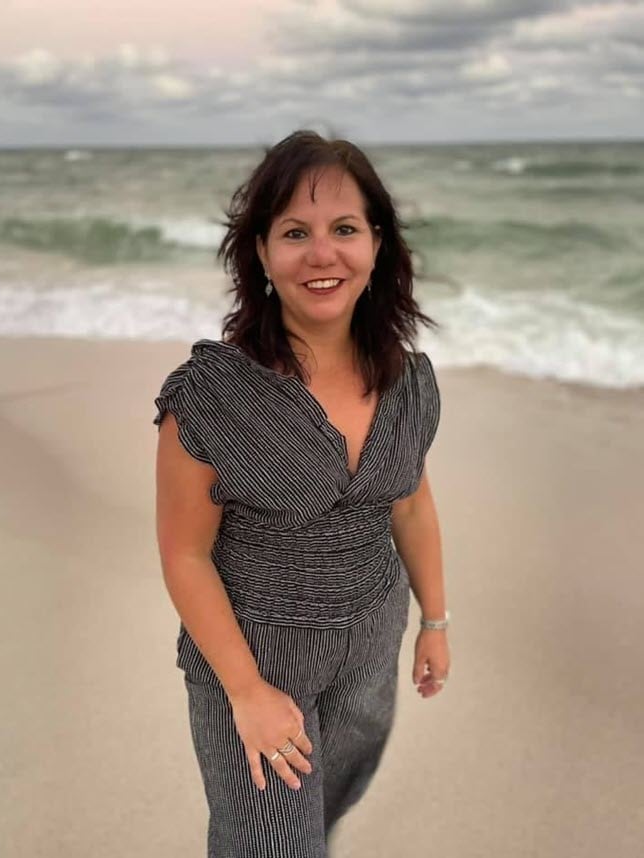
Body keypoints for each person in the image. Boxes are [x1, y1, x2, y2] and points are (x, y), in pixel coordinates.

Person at [152, 129, 450, 857]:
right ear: (260, 252)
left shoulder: (409, 381)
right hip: (252, 661)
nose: (323, 254)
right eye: (295, 232)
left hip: (371, 650)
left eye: (344, 228)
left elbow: (409, 502)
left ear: (377, 244)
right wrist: (247, 692)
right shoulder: (210, 395)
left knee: (319, 825)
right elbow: (185, 556)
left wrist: (435, 621)